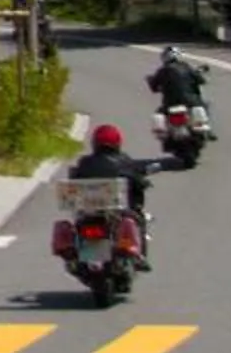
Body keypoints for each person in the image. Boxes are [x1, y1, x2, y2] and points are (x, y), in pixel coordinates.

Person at [68, 123, 154, 266]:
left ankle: (85, 256)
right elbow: (136, 180)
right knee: (137, 218)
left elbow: (74, 178)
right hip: (111, 212)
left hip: (88, 210)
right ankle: (141, 256)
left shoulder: (85, 162)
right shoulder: (123, 160)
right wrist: (142, 182)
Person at [148, 48, 211, 134]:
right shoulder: (186, 67)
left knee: (159, 114)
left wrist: (152, 81)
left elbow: (154, 88)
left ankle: (163, 131)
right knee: (205, 105)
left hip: (169, 103)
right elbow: (201, 80)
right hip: (190, 100)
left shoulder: (162, 71)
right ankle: (209, 132)